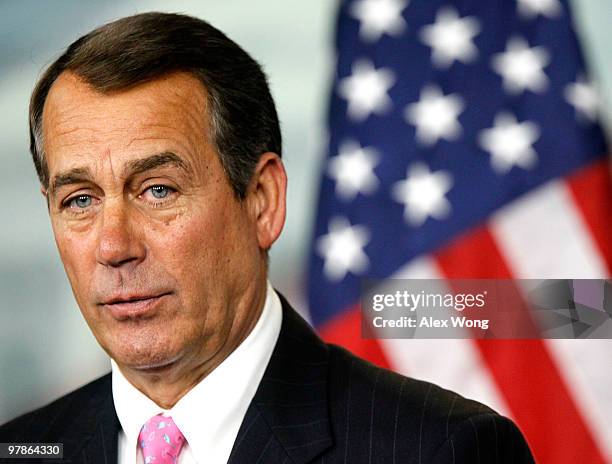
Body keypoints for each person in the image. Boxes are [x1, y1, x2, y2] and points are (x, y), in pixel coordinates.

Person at [0, 12, 534, 464]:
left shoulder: (439, 449)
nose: (114, 247)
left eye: (157, 190)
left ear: (262, 201)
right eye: (80, 200)